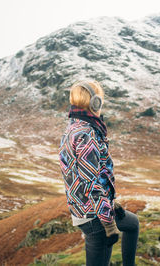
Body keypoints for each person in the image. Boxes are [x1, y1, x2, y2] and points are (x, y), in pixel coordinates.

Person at [59, 80, 139, 266]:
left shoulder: (73, 128)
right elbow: (91, 183)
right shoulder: (87, 134)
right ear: (95, 103)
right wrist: (108, 222)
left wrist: (109, 201)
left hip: (90, 208)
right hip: (95, 219)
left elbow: (89, 175)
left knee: (132, 224)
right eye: (100, 100)